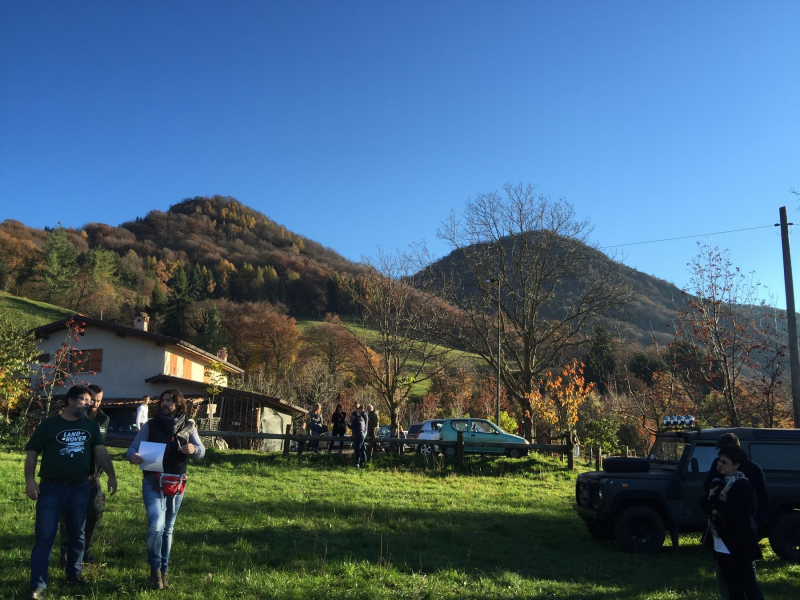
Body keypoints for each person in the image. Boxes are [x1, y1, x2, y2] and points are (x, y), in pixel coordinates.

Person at [24, 385, 118, 600]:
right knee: (45, 536)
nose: (88, 404)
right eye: (84, 400)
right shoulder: (49, 424)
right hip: (51, 489)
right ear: (70, 400)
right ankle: (38, 585)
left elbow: (100, 451)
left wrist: (111, 475)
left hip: (79, 487)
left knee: (78, 534)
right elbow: (32, 453)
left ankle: (74, 574)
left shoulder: (90, 426)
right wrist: (30, 480)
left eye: (89, 401)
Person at [127, 388, 205, 590]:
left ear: (178, 404)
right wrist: (132, 456)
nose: (165, 403)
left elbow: (202, 450)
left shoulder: (189, 425)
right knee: (156, 527)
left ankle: (163, 572)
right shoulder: (150, 425)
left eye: (169, 400)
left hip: (176, 481)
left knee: (168, 529)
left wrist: (194, 449)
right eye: (163, 400)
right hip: (153, 480)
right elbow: (132, 448)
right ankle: (154, 571)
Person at [700, 444, 764, 600]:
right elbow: (703, 502)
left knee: (747, 583)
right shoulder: (720, 481)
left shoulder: (742, 484)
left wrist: (713, 499)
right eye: (719, 461)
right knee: (731, 583)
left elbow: (730, 509)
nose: (720, 465)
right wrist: (713, 506)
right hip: (722, 541)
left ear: (736, 465)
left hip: (739, 542)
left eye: (724, 462)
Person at [59, 384, 109, 567]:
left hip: (93, 475)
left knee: (95, 512)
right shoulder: (76, 416)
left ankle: (84, 550)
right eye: (92, 400)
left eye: (99, 401)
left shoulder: (104, 419)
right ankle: (66, 554)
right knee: (68, 517)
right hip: (71, 475)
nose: (95, 404)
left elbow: (102, 446)